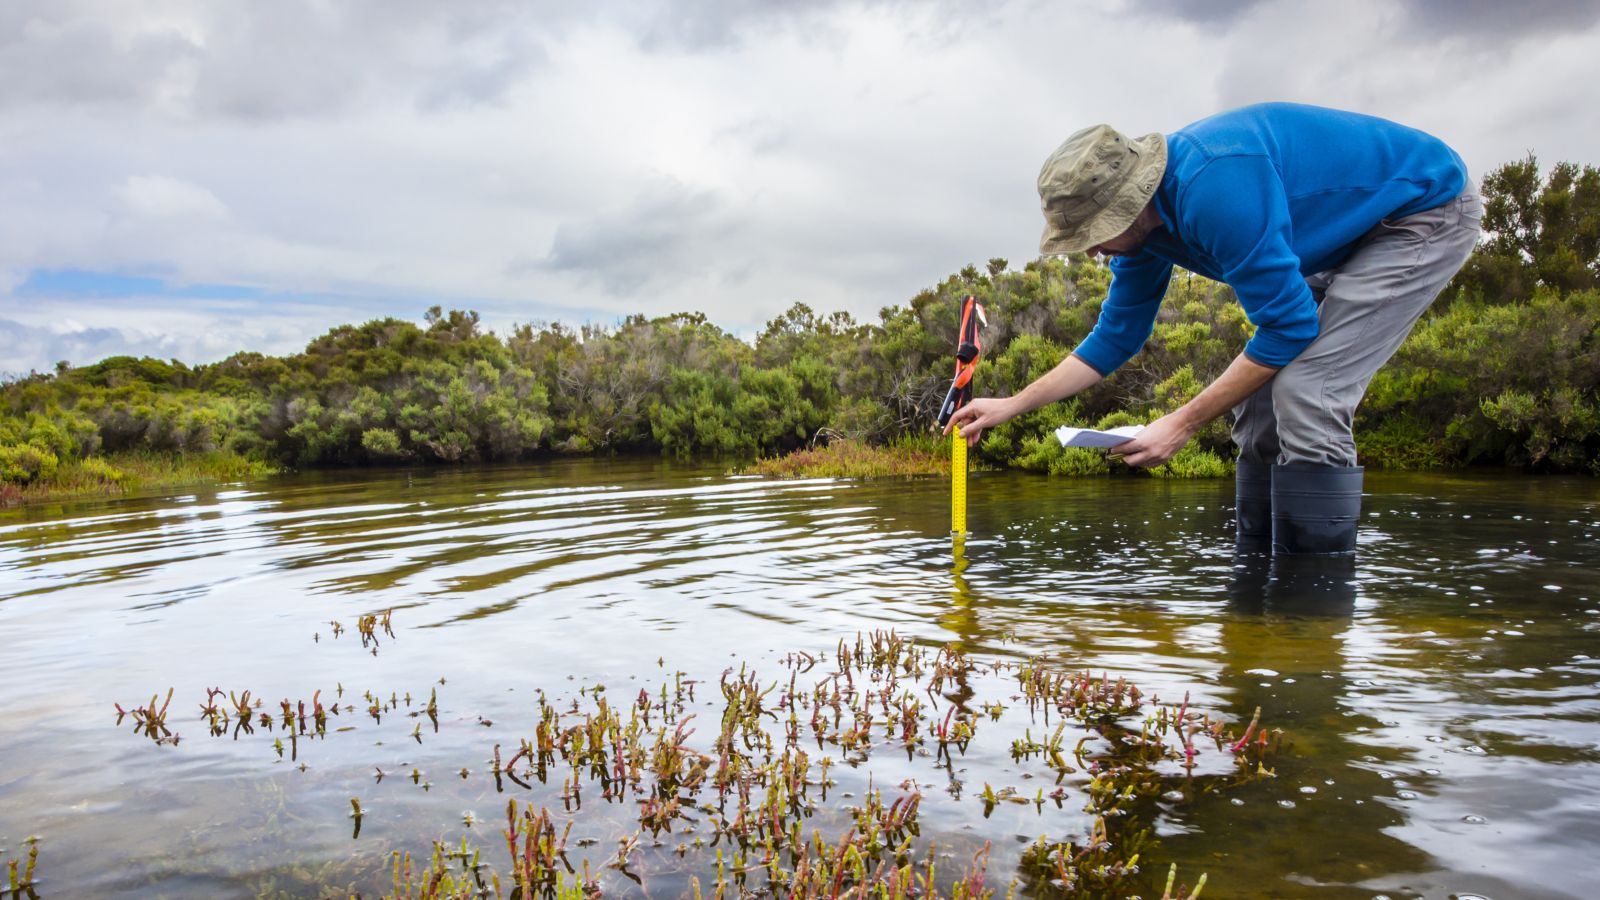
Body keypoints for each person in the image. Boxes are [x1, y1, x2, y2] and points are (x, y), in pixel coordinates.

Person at [944, 102, 1482, 555]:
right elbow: (1117, 336)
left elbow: (1289, 328)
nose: (1090, 248)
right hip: (1339, 236)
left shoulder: (1215, 189)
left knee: (1306, 389)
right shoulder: (1144, 235)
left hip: (1420, 213)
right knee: (1260, 399)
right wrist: (1013, 404)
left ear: (1132, 204)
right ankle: (1255, 587)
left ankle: (1310, 612)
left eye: (1096, 232)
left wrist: (1181, 423)